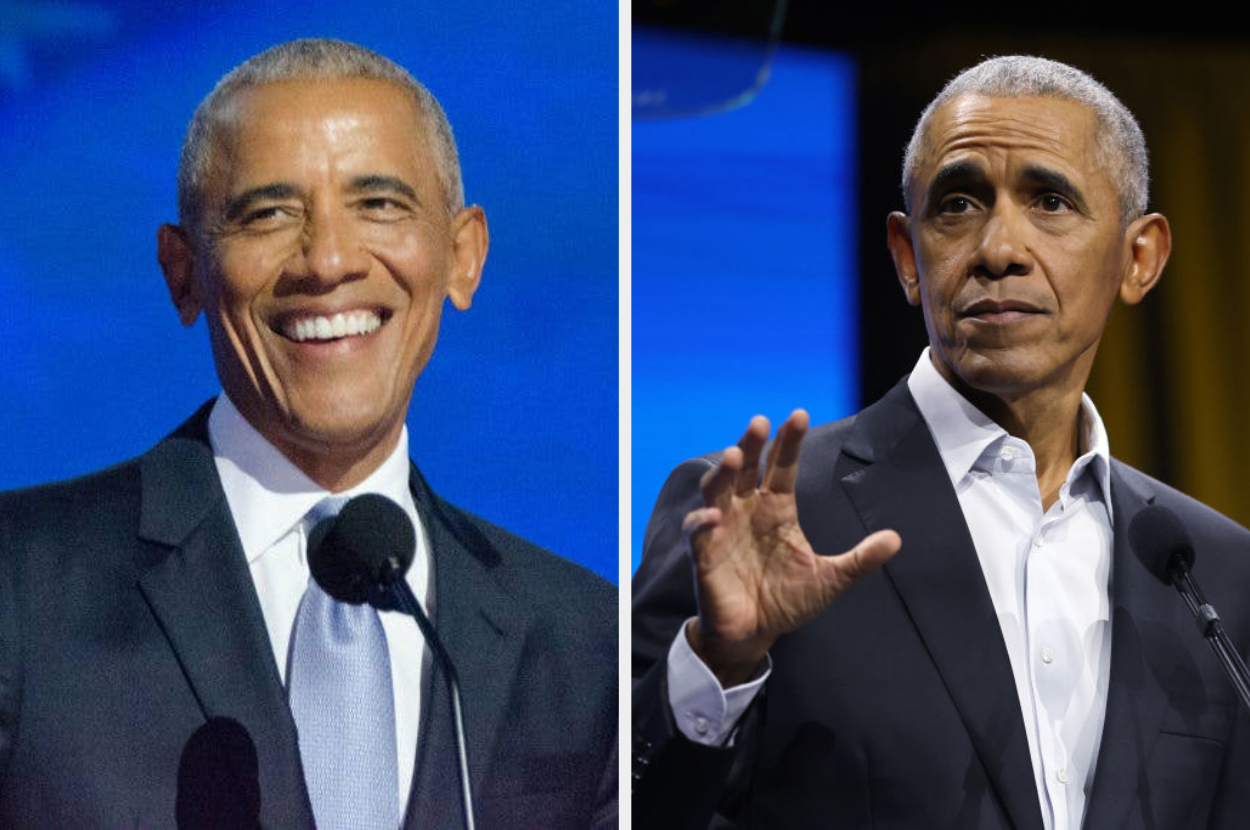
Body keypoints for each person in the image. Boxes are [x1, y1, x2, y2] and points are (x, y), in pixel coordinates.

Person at [0, 39, 616, 828]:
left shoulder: (583, 638)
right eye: (269, 213)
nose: (326, 260)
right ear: (182, 271)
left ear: (463, 256)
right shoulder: (20, 587)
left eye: (380, 204)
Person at [632, 55, 1250, 829]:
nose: (999, 248)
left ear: (1139, 258)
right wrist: (719, 668)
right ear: (905, 258)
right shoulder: (761, 522)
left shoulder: (1216, 574)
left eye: (1050, 201)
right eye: (957, 204)